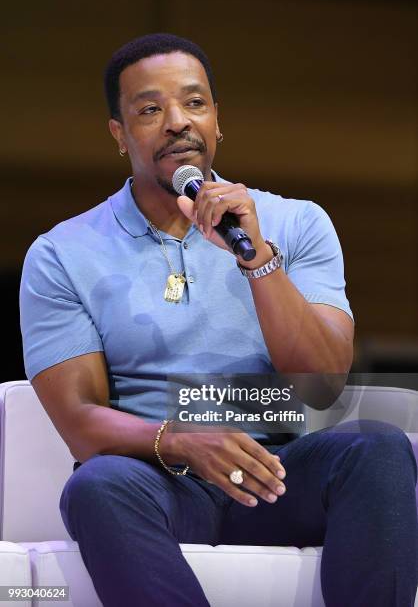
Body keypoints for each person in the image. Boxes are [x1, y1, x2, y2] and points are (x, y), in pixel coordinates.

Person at [19, 33, 417, 607]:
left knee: (377, 447)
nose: (178, 121)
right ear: (119, 133)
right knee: (96, 485)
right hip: (159, 481)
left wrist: (256, 256)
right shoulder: (62, 254)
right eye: (151, 109)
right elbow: (80, 419)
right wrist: (184, 438)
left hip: (279, 471)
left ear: (218, 121)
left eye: (195, 102)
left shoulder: (294, 222)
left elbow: (323, 381)